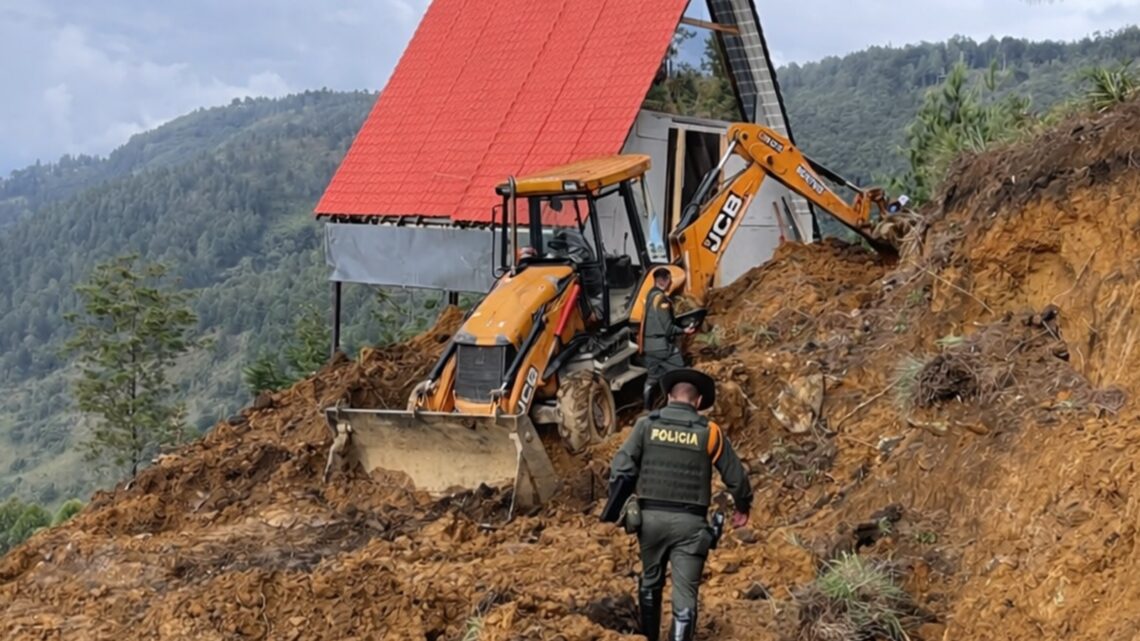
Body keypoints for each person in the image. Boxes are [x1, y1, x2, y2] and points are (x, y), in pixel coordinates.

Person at [603, 368, 753, 641]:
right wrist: (743, 507)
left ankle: (649, 637)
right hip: (690, 526)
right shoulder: (710, 432)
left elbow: (621, 467)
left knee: (650, 581)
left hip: (650, 521)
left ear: (670, 396)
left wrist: (620, 504)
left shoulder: (646, 425)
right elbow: (736, 478)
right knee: (685, 598)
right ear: (698, 402)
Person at [639, 267, 696, 409]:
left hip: (648, 348)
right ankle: (680, 407)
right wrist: (684, 330)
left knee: (652, 378)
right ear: (664, 281)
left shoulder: (649, 296)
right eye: (670, 280)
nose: (671, 283)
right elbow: (668, 329)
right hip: (662, 347)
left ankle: (647, 409)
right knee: (681, 373)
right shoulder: (661, 300)